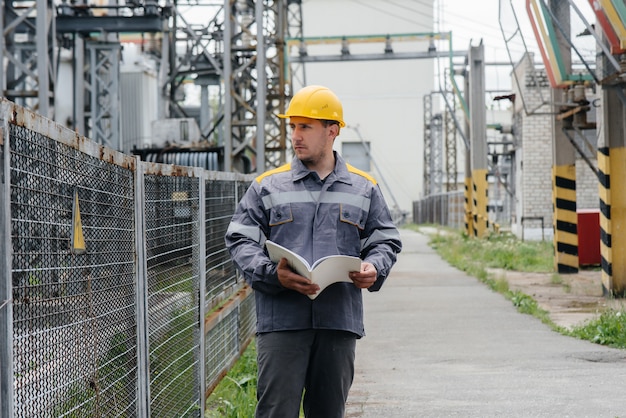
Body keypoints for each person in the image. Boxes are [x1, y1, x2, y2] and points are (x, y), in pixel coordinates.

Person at [224, 85, 402, 418]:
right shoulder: (267, 185)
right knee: (277, 411)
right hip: (282, 322)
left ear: (331, 131)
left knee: (328, 412)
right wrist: (269, 272)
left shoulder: (364, 187)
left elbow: (384, 239)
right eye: (292, 126)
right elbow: (240, 239)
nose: (295, 136)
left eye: (305, 126)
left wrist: (374, 267)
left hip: (338, 321)